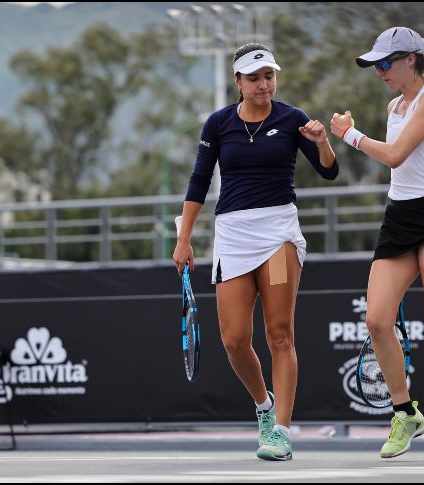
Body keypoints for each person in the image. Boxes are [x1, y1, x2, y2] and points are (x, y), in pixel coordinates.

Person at [172, 43, 339, 461]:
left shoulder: (293, 119)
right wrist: (184, 238)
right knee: (233, 340)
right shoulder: (217, 124)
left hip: (278, 233)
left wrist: (322, 142)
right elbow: (198, 181)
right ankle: (263, 407)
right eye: (254, 78)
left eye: (269, 76)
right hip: (232, 236)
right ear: (238, 83)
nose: (264, 84)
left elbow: (329, 171)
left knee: (279, 334)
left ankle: (281, 431)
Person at [330, 26, 424, 462]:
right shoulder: (396, 104)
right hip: (400, 216)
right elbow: (396, 162)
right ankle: (405, 412)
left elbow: (395, 155)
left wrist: (349, 136)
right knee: (376, 320)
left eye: (385, 63)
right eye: (375, 65)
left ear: (411, 58)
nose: (380, 72)